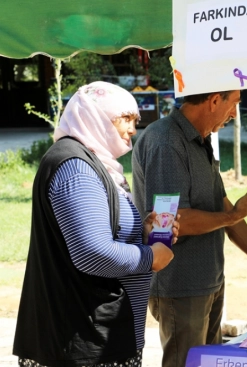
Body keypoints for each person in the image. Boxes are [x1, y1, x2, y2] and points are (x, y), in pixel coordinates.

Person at [14, 82, 176, 366]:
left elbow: (97, 233)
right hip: (82, 342)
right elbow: (92, 253)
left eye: (136, 121)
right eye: (126, 118)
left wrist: (144, 233)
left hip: (99, 336)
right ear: (97, 115)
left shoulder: (93, 163)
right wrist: (151, 257)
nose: (133, 129)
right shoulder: (76, 168)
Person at [132, 90, 247, 367]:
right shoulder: (165, 141)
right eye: (234, 104)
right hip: (181, 287)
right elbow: (168, 222)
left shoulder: (200, 140)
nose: (234, 113)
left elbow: (223, 208)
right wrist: (230, 217)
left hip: (208, 283)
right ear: (215, 99)